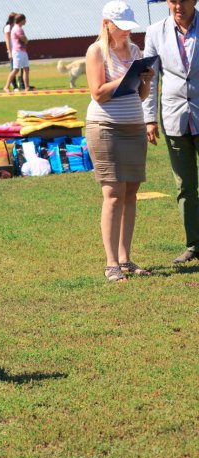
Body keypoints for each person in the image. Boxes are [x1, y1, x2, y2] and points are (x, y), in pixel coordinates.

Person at [86, 1, 153, 281]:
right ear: (106, 24)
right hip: (106, 129)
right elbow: (98, 93)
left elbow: (139, 96)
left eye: (129, 28)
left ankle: (125, 259)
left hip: (134, 128)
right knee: (112, 196)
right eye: (121, 27)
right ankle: (111, 263)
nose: (126, 33)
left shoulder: (136, 51)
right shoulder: (96, 51)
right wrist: (127, 76)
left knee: (130, 194)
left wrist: (145, 79)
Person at [144, 0, 199, 264]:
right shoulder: (155, 32)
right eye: (173, 0)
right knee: (184, 186)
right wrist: (149, 119)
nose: (178, 5)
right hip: (175, 119)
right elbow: (151, 78)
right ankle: (194, 244)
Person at [3, 14, 31, 93]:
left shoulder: (19, 28)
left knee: (26, 69)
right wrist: (26, 40)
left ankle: (27, 87)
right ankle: (6, 86)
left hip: (22, 51)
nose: (25, 21)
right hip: (18, 51)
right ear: (21, 20)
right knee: (15, 70)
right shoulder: (17, 28)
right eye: (24, 20)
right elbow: (23, 39)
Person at [4, 12, 24, 90]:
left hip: (19, 49)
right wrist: (9, 51)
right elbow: (7, 40)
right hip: (13, 50)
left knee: (23, 67)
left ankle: (22, 84)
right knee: (14, 68)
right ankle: (14, 85)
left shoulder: (17, 27)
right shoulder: (8, 27)